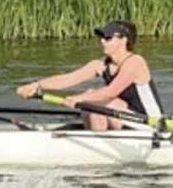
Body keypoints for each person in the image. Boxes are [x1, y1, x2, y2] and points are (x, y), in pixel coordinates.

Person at [16, 20, 163, 130]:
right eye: (101, 37)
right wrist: (36, 85)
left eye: (108, 37)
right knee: (90, 104)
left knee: (93, 99)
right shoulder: (101, 65)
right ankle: (96, 140)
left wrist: (79, 99)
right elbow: (68, 79)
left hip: (150, 123)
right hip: (124, 118)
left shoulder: (135, 62)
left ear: (124, 40)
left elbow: (111, 92)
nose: (102, 41)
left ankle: (97, 144)